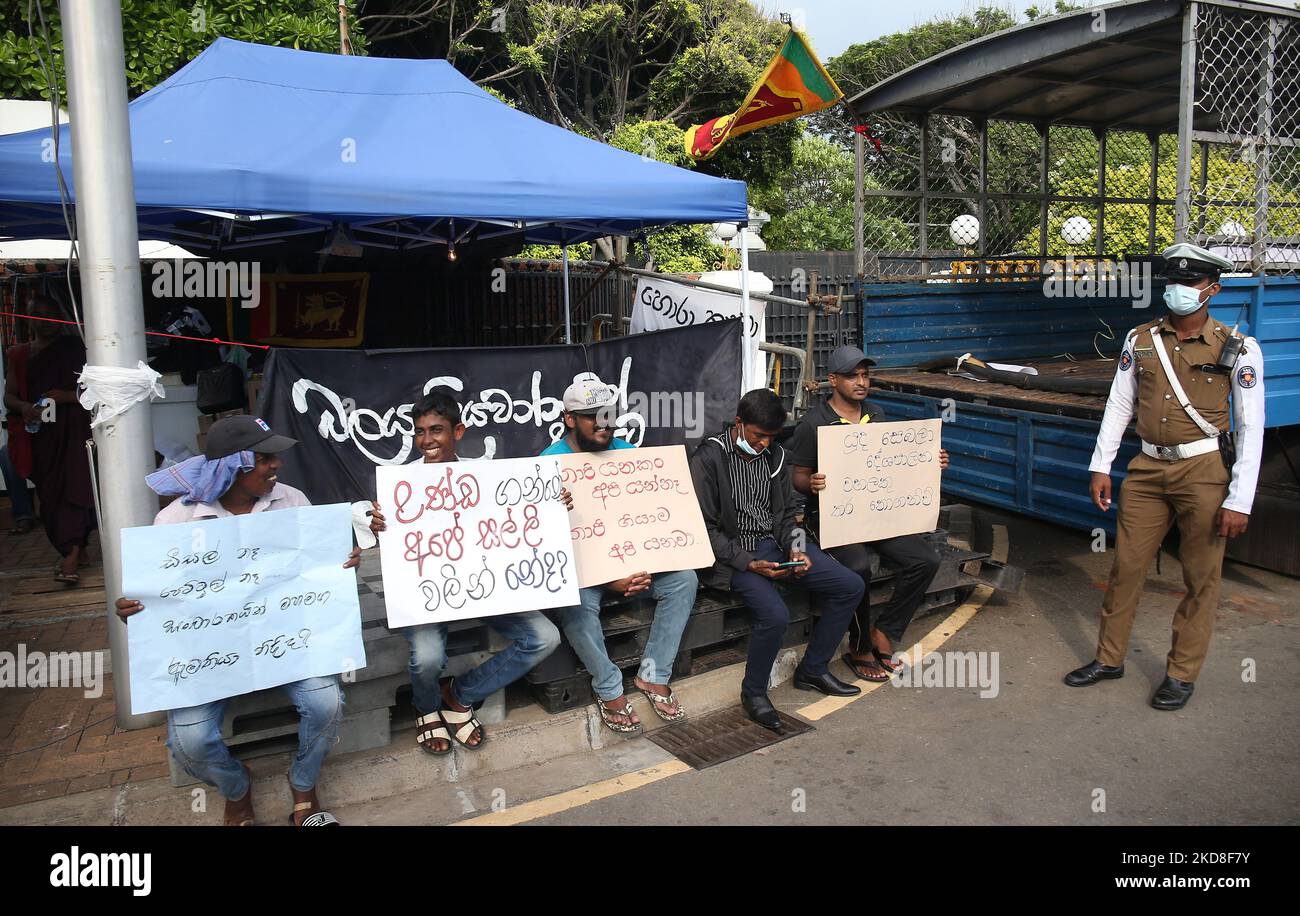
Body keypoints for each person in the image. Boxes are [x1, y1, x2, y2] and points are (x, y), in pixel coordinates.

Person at [115, 416, 359, 826]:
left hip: (287, 643)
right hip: (207, 656)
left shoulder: (292, 501)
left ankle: (303, 784)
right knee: (189, 743)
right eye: (265, 459)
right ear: (232, 466)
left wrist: (342, 563)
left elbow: (317, 571)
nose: (276, 466)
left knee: (326, 702)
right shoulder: (175, 520)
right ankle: (236, 786)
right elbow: (161, 601)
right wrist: (138, 612)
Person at [1065, 243, 1265, 710]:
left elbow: (1251, 424)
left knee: (1201, 576)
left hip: (1204, 472)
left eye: (1189, 283)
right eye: (1172, 282)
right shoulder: (1140, 339)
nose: (1177, 290)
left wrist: (1240, 499)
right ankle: (1109, 658)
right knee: (1126, 567)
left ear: (1211, 290)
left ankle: (1180, 673)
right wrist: (1101, 464)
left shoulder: (1238, 348)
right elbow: (1119, 404)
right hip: (1148, 468)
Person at [367, 388, 561, 754]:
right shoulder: (400, 486)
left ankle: (458, 696)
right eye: (420, 432)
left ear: (458, 431)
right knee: (427, 657)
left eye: (436, 430)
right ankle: (426, 709)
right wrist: (380, 526)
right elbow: (387, 547)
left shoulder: (485, 477)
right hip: (427, 594)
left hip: (482, 587)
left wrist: (552, 502)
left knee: (545, 636)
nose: (427, 440)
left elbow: (521, 517)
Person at [690, 388, 864, 733]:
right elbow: (704, 529)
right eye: (758, 436)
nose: (764, 444)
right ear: (739, 424)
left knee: (850, 585)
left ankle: (813, 669)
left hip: (774, 546)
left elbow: (788, 517)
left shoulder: (776, 457)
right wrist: (747, 562)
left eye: (771, 437)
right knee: (774, 614)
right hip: (733, 556)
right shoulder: (709, 458)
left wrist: (796, 549)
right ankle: (753, 694)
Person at [543, 375, 697, 733]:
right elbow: (553, 547)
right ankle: (609, 688)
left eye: (609, 414)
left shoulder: (630, 455)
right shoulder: (548, 464)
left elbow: (649, 522)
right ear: (569, 419)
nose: (604, 423)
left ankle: (654, 674)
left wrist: (644, 565)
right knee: (575, 602)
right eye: (592, 415)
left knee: (684, 580)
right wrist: (610, 578)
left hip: (635, 565)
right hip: (586, 573)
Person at [787, 345, 949, 681]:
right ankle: (859, 647)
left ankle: (885, 631)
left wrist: (930, 463)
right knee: (857, 567)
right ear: (833, 380)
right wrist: (811, 483)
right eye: (852, 375)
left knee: (925, 560)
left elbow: (890, 466)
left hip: (877, 514)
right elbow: (797, 475)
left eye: (865, 374)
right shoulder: (813, 423)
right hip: (832, 519)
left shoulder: (876, 414)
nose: (861, 381)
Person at [3, 298, 96, 583]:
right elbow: (10, 394)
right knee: (51, 494)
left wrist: (66, 397)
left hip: (76, 429)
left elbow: (99, 390)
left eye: (51, 315)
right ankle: (75, 547)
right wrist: (23, 407)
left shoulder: (78, 349)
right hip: (42, 432)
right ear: (28, 319)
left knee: (78, 487)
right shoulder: (19, 354)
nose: (45, 321)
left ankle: (71, 554)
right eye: (38, 315)